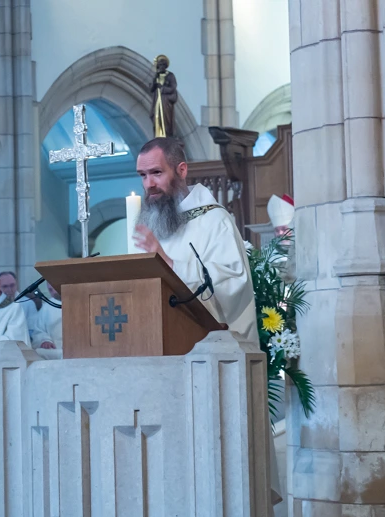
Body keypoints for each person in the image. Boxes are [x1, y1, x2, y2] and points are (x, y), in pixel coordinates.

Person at [132, 136, 279, 508]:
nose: (149, 183)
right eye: (143, 175)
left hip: (213, 373)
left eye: (156, 173)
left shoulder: (215, 221)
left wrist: (165, 260)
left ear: (181, 170)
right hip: (163, 370)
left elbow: (231, 287)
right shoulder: (150, 224)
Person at [1, 270, 40, 337]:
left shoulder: (28, 303)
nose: (9, 289)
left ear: (17, 285)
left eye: (12, 285)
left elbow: (33, 329)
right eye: (5, 286)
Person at [30, 284, 62, 360]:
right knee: (37, 353)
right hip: (56, 350)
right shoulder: (46, 307)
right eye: (50, 290)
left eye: (54, 289)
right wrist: (45, 340)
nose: (53, 292)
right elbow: (38, 331)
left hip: (79, 349)